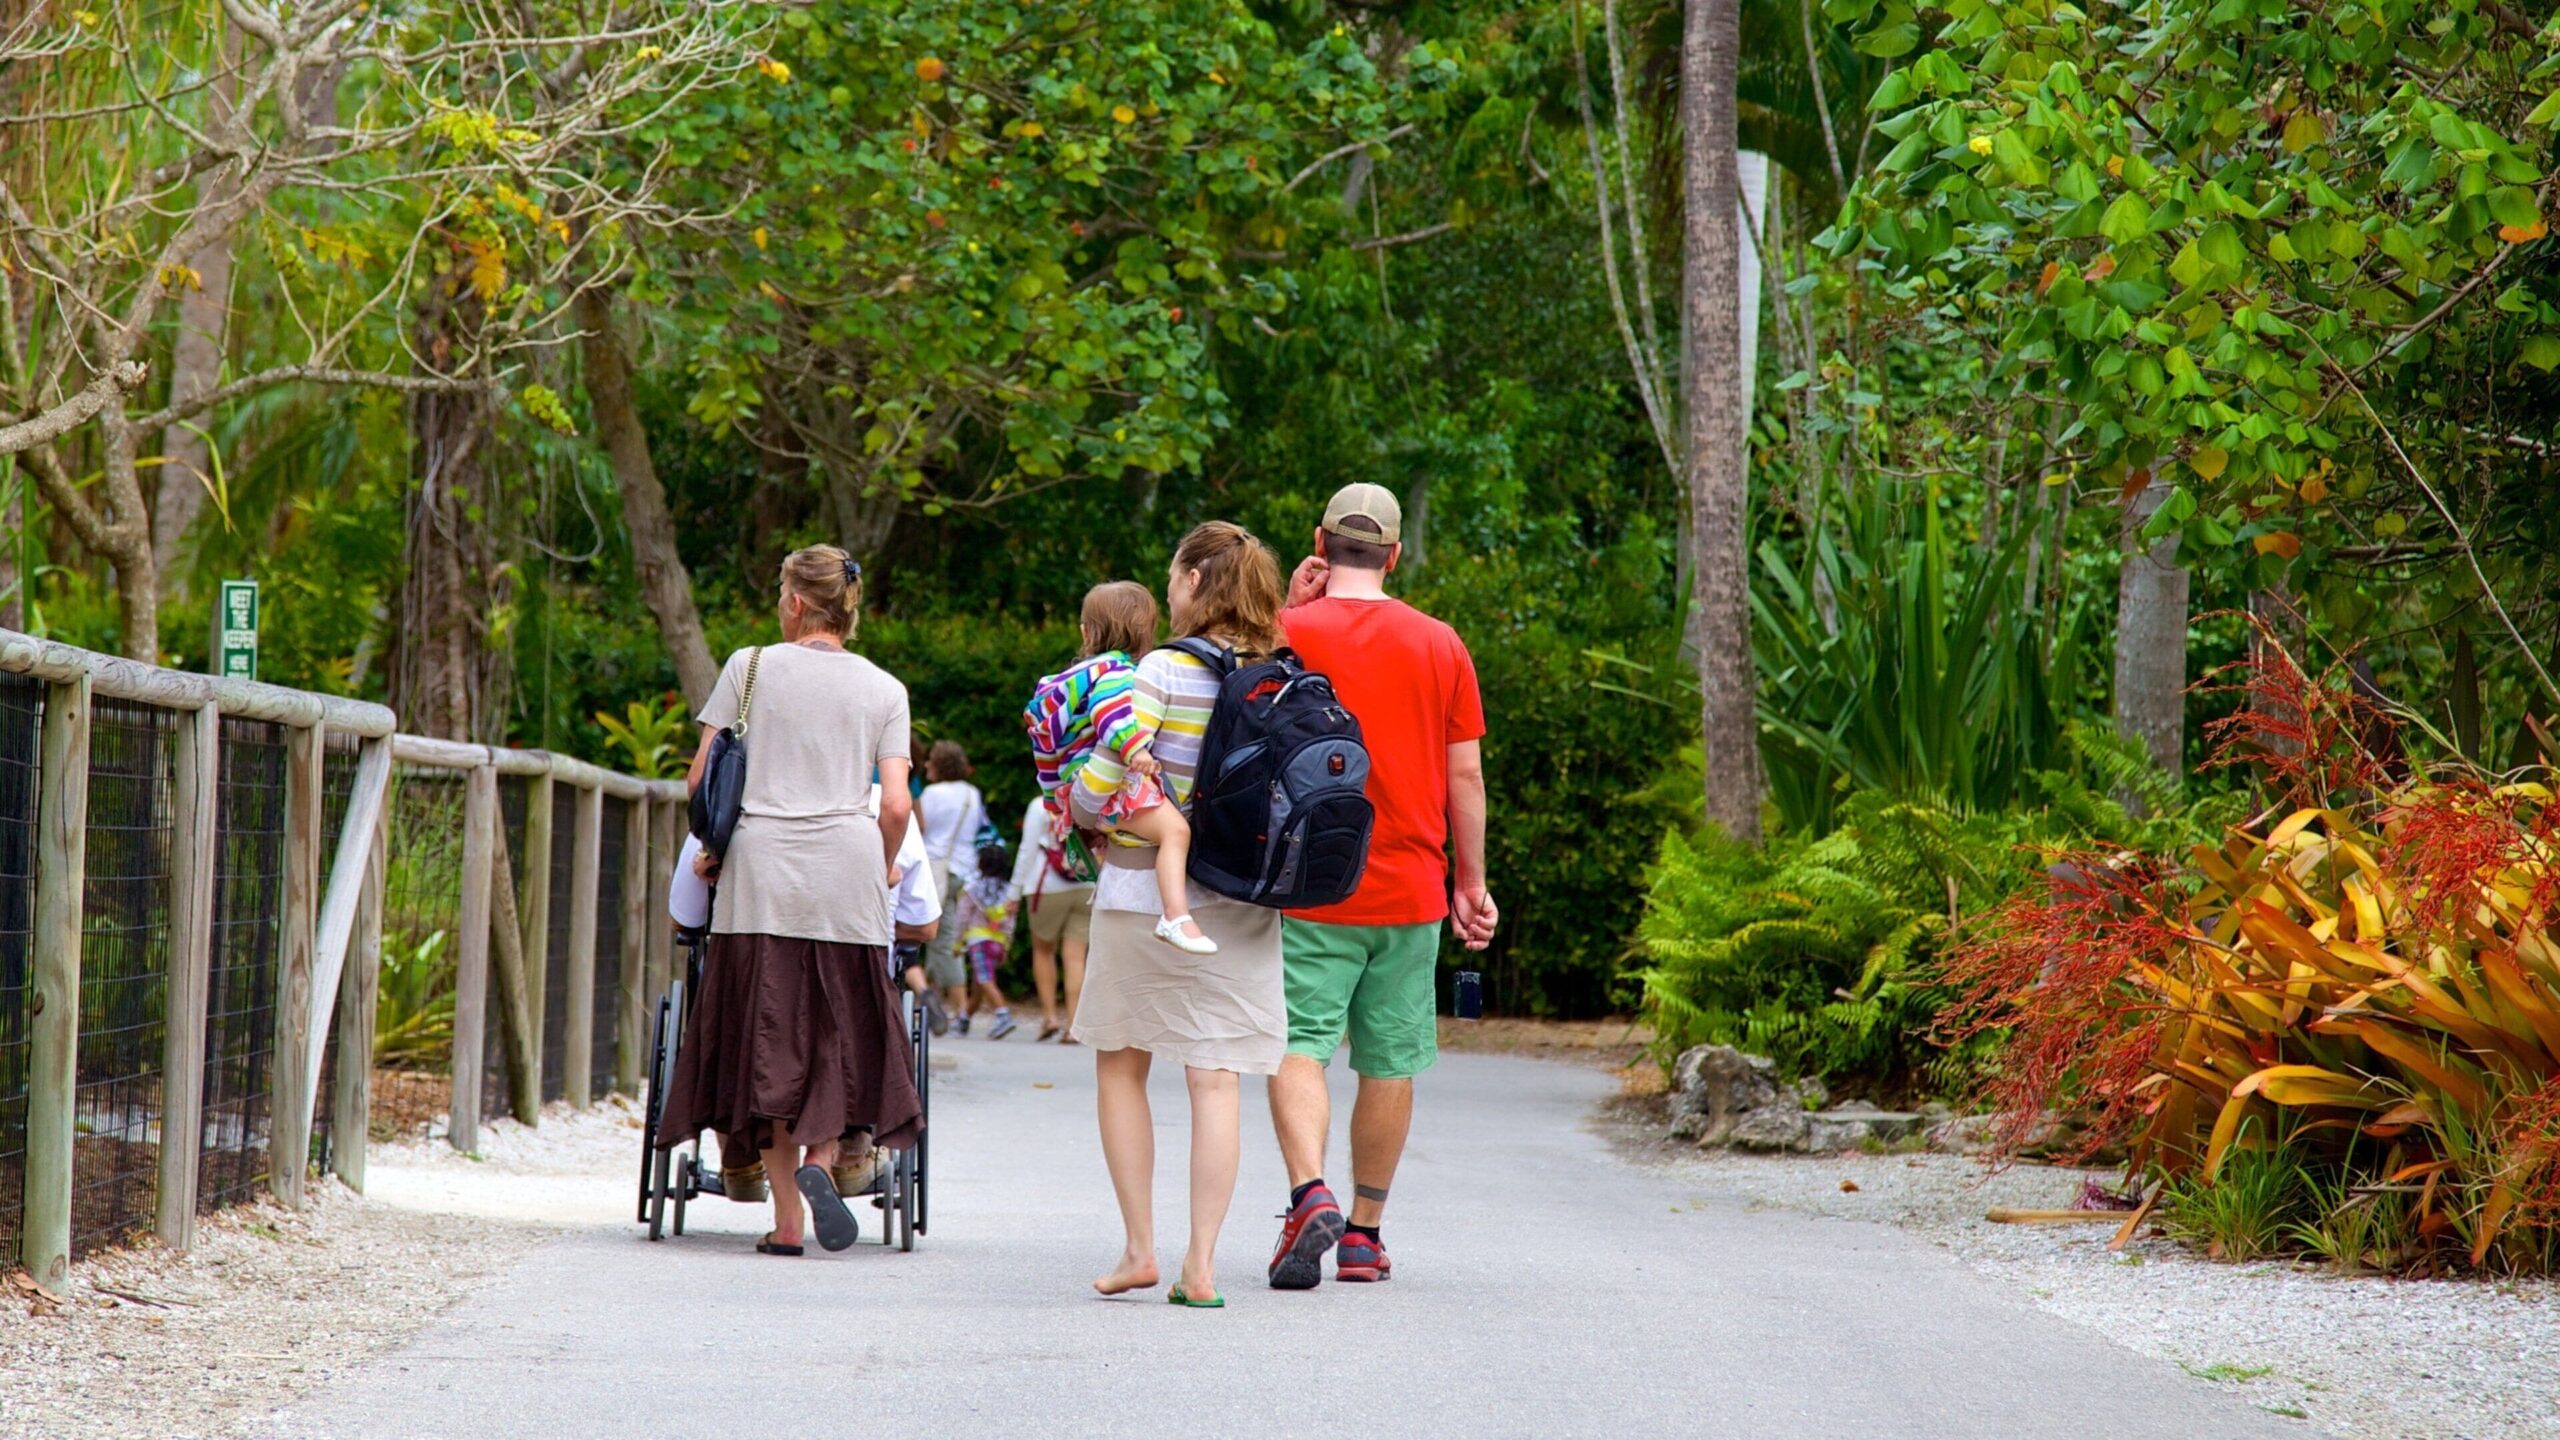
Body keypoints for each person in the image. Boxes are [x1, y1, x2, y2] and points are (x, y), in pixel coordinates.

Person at [659, 544, 922, 1257]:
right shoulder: (885, 688)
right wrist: (882, 866)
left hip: (761, 877)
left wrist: (714, 849)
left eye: (781, 593)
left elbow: (699, 779)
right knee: (837, 1035)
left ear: (798, 603)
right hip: (848, 877)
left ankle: (786, 1225)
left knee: (770, 1040)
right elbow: (896, 804)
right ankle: (822, 1162)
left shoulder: (748, 667)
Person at [1264, 483, 1495, 1289]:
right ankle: (1363, 1234)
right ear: (1395, 555)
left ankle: (1309, 1193)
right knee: (1390, 1060)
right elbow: (1465, 777)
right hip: (1411, 884)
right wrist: (1471, 883)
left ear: (1319, 544)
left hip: (1308, 884)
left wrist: (1287, 607)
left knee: (1299, 1043)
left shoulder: (1285, 632)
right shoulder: (1441, 643)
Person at [1071, 522, 1291, 1308]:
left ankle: (1140, 1250)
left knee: (1121, 1064)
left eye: (1174, 575)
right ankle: (1201, 1268)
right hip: (1242, 900)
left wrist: (1082, 804)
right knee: (1216, 1081)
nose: (1168, 589)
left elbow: (1098, 786)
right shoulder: (1280, 673)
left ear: (1196, 580)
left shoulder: (1160, 669)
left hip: (1141, 897)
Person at [1026, 582, 1217, 955]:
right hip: (1115, 784)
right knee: (1176, 831)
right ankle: (1176, 916)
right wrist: (1135, 750)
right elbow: (1110, 713)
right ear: (1147, 631)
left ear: (1086, 632)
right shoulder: (1116, 671)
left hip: (1079, 784)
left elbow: (1046, 757)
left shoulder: (1077, 677)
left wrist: (1056, 807)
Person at [1010, 795, 1092, 1042]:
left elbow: (1027, 850)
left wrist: (1014, 892)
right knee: (1076, 957)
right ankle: (1074, 1025)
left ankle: (1050, 1017)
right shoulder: (1088, 799)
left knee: (1043, 950)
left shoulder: (1040, 805)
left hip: (1046, 886)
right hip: (1085, 883)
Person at [917, 741, 986, 1033]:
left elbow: (920, 828)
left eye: (931, 760)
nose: (926, 764)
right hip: (965, 872)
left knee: (943, 940)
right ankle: (930, 1007)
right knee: (945, 939)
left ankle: (961, 1011)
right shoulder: (972, 793)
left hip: (938, 872)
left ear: (939, 764)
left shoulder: (932, 794)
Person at [955, 832, 1019, 1039]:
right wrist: (1006, 945)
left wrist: (957, 943)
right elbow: (1010, 921)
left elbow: (962, 918)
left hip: (978, 941)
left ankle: (1003, 1014)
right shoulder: (1009, 892)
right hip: (998, 942)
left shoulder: (972, 889)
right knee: (979, 983)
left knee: (984, 980)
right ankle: (964, 1019)